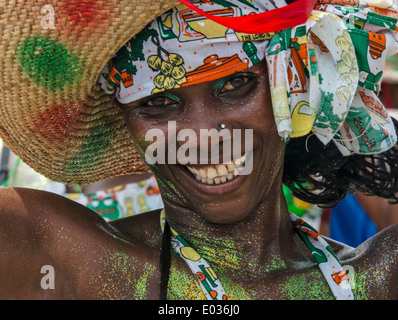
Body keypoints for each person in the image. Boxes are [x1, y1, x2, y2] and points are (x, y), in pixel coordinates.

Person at [0, 0, 397, 300]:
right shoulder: (57, 254)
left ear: (294, 89)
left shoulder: (381, 279)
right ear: (128, 121)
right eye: (157, 103)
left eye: (236, 85)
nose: (203, 135)